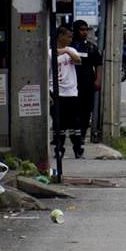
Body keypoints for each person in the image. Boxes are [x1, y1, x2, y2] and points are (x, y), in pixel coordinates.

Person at [52, 26, 85, 158]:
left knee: (74, 122)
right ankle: (59, 148)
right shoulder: (50, 52)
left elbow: (78, 60)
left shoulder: (70, 50)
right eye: (68, 36)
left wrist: (65, 50)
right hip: (57, 92)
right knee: (59, 122)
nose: (70, 39)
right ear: (60, 36)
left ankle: (78, 148)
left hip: (71, 92)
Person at [70, 20, 101, 143]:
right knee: (73, 110)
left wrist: (98, 80)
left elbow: (98, 64)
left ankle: (82, 135)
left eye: (86, 30)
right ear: (76, 31)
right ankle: (74, 134)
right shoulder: (70, 46)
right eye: (81, 29)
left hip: (87, 83)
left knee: (86, 110)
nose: (84, 32)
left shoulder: (91, 47)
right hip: (72, 84)